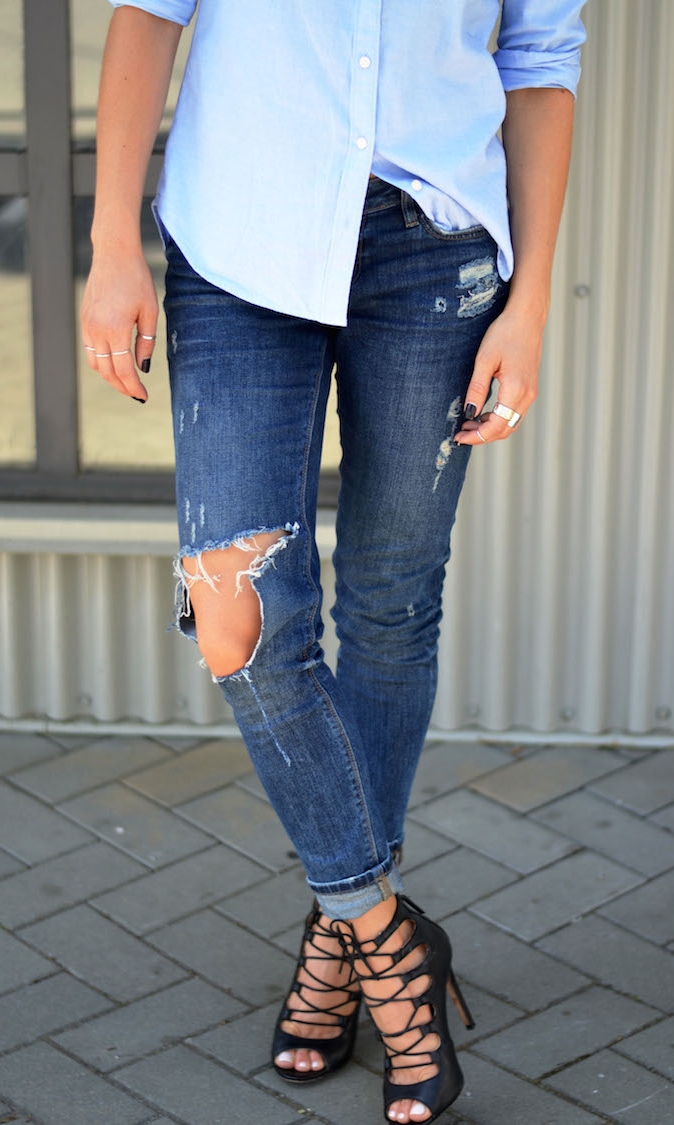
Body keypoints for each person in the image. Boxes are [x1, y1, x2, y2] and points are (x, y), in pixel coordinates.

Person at [81, 3, 586, 1121]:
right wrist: (113, 240)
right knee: (239, 617)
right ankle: (383, 934)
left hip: (436, 247)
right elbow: (146, 11)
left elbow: (539, 61)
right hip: (237, 242)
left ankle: (333, 943)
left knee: (392, 604)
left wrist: (532, 299)